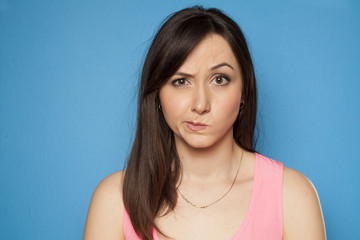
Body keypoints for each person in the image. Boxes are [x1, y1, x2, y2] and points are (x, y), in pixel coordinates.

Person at [83, 6, 326, 240]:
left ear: (244, 92)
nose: (200, 104)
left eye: (219, 80)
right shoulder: (115, 200)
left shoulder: (292, 197)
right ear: (157, 94)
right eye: (181, 81)